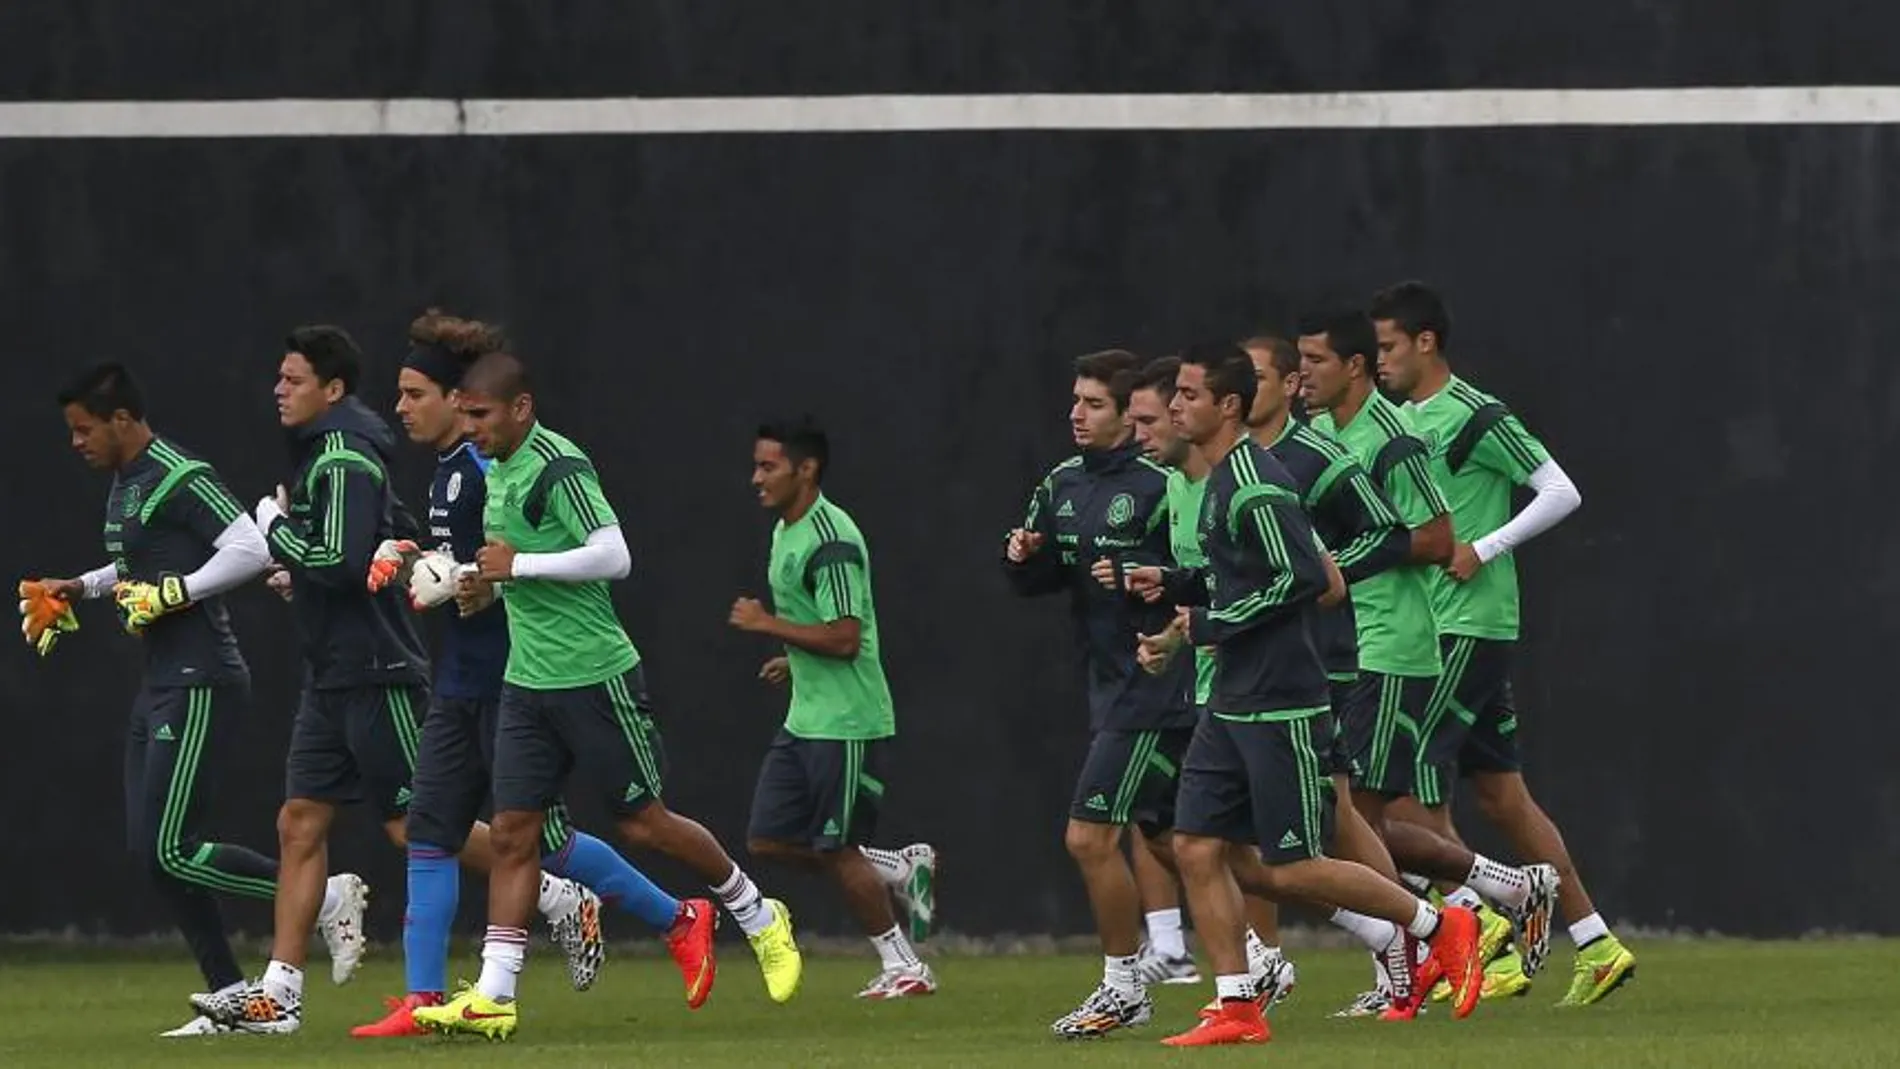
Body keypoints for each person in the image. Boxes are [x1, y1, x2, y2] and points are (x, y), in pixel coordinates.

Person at [413, 352, 801, 1040]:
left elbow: (614, 553)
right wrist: (480, 582)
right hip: (527, 681)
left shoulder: (559, 465)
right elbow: (517, 566)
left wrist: (518, 565)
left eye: (481, 414)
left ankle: (756, 912)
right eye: (465, 414)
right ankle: (495, 993)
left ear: (520, 408)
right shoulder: (498, 469)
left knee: (644, 821)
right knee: (512, 832)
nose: (470, 427)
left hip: (594, 676)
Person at [349, 312, 716, 1038]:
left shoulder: (496, 468)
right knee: (429, 828)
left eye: (414, 392)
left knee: (539, 838)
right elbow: (472, 567)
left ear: (461, 399)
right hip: (459, 679)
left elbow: (507, 573)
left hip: (514, 677)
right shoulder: (451, 474)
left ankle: (677, 916)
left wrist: (460, 580)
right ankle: (423, 1001)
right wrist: (416, 559)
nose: (401, 407)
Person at [1137, 342, 1483, 1047]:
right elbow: (1245, 578)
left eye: (1189, 395)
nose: (1175, 406)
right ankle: (1236, 1003)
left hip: (1280, 704)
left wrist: (1214, 621)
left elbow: (1303, 579)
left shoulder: (1257, 485)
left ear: (1227, 406)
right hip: (1233, 700)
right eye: (1175, 394)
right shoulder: (1221, 479)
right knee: (1198, 845)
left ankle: (1439, 924)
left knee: (1293, 862)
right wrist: (1180, 598)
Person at [25, 363, 362, 1038]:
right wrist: (78, 588)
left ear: (122, 420)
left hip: (202, 678)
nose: (77, 443)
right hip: (161, 682)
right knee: (151, 851)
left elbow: (249, 547)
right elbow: (137, 567)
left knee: (171, 849)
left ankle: (325, 896)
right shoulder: (127, 483)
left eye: (84, 429)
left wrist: (176, 592)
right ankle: (232, 995)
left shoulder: (181, 474)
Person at [1369, 280, 1635, 1006]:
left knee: (1404, 783)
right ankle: (1597, 944)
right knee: (1503, 795)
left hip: (1467, 622)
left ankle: (1485, 922)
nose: (1380, 359)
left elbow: (1559, 489)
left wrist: (1484, 546)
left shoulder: (1475, 414)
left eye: (1389, 345)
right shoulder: (1395, 420)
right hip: (1438, 620)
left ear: (1426, 342)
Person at [1296, 307, 1559, 1009]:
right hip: (1357, 644)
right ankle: (1507, 893)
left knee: (1352, 815)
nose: (1297, 379)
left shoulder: (1404, 432)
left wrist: (1341, 567)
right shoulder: (1318, 436)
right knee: (1366, 815)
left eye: (1311, 363)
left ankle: (1422, 954)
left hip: (1413, 639)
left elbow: (1441, 534)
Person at [1002, 350, 1197, 1038]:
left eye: (1093, 404)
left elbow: (1198, 573)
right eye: (1075, 401)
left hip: (1154, 682)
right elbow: (1042, 579)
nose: (1076, 415)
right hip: (1109, 681)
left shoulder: (1161, 483)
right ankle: (1386, 927)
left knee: (1088, 837)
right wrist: (1024, 556)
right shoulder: (1060, 481)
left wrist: (1151, 577)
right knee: (1192, 845)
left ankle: (1124, 986)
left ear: (1123, 416)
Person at [732, 416, 938, 1000]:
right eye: (756, 465)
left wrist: (768, 625)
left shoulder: (830, 539)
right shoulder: (785, 530)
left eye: (768, 466)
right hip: (807, 716)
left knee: (837, 850)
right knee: (767, 839)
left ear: (806, 469)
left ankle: (905, 966)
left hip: (848, 721)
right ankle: (898, 867)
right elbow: (822, 628)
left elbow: (846, 637)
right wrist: (792, 658)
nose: (756, 478)